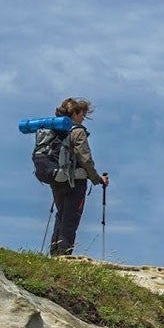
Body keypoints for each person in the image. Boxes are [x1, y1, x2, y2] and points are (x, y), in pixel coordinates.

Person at [49, 97, 109, 256]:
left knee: (61, 215)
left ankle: (54, 255)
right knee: (71, 217)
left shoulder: (56, 130)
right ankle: (64, 256)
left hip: (56, 179)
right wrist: (97, 179)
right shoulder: (78, 131)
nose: (83, 117)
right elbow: (85, 159)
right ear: (74, 114)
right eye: (81, 113)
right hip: (75, 181)